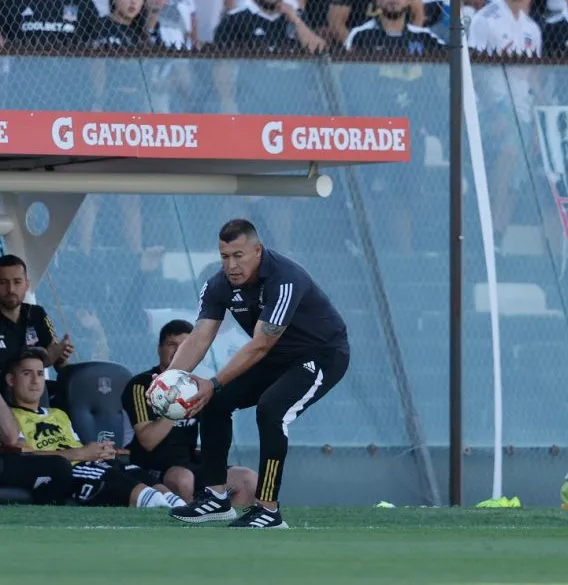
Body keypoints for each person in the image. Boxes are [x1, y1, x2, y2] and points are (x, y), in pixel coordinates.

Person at [155, 219, 350, 529]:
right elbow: (200, 337)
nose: (231, 265)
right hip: (276, 357)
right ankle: (217, 498)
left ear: (257, 250)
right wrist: (170, 379)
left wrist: (214, 381)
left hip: (321, 355)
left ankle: (269, 511)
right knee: (215, 402)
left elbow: (260, 344)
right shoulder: (219, 284)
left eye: (238, 255)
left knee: (272, 410)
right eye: (224, 256)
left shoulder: (286, 279)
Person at [7, 348, 184, 509]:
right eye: (26, 374)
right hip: (69, 470)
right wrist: (80, 454)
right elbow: (24, 458)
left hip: (88, 463)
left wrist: (99, 452)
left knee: (147, 480)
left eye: (39, 374)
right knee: (145, 495)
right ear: (11, 380)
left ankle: (176, 506)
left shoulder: (58, 414)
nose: (35, 381)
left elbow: (76, 446)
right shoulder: (10, 418)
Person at [122, 319, 256, 506]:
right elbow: (147, 441)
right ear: (159, 348)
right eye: (171, 344)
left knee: (247, 478)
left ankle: (227, 531)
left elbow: (213, 432)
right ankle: (187, 530)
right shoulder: (141, 384)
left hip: (190, 464)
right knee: (183, 478)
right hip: (153, 467)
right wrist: (174, 404)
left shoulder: (197, 386)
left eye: (184, 345)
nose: (177, 351)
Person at [0, 254, 73, 369]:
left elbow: (57, 359)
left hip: (36, 386)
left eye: (17, 282)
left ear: (26, 285)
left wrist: (60, 355)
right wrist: (46, 360)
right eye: (3, 282)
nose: (11, 289)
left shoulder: (37, 314)